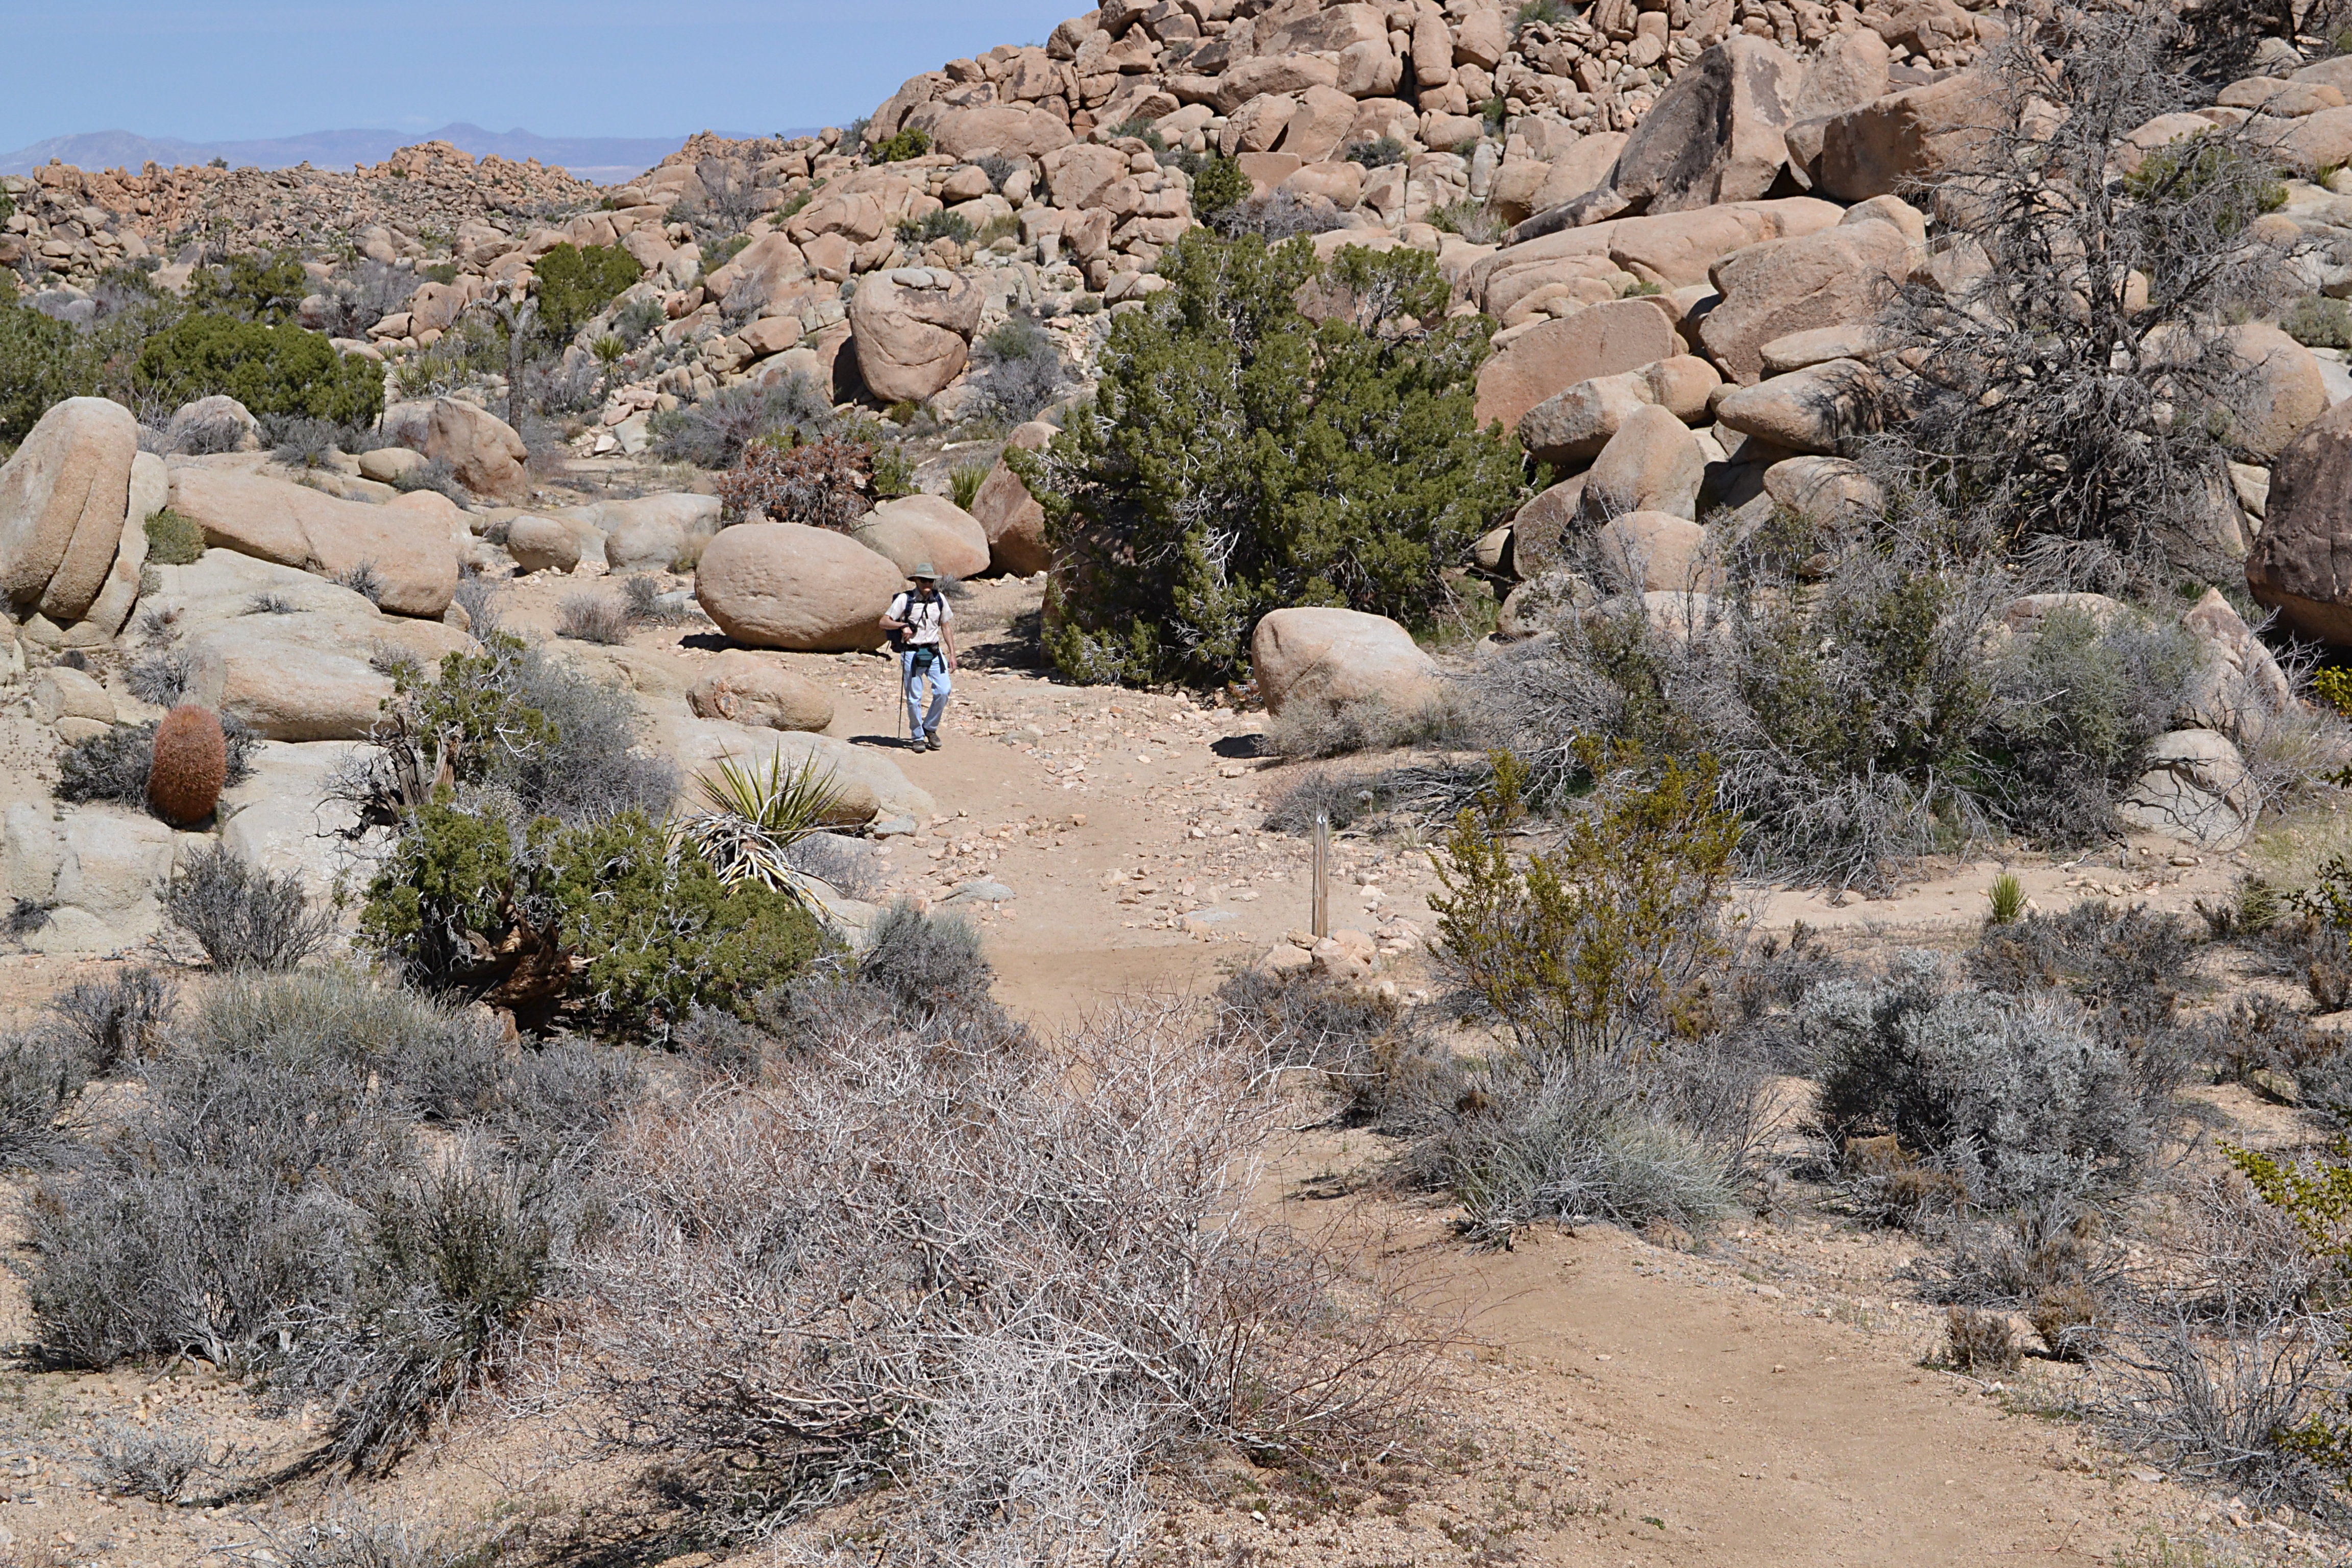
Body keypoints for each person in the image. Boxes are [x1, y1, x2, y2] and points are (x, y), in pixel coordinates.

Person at [881, 564, 957, 752]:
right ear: (916, 580)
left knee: (944, 690)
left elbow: (946, 626)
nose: (928, 584)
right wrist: (902, 626)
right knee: (914, 698)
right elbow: (884, 621)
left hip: (933, 652)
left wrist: (953, 654)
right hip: (911, 652)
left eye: (931, 580)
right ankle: (917, 737)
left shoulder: (939, 599)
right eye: (924, 580)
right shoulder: (904, 599)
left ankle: (929, 728)